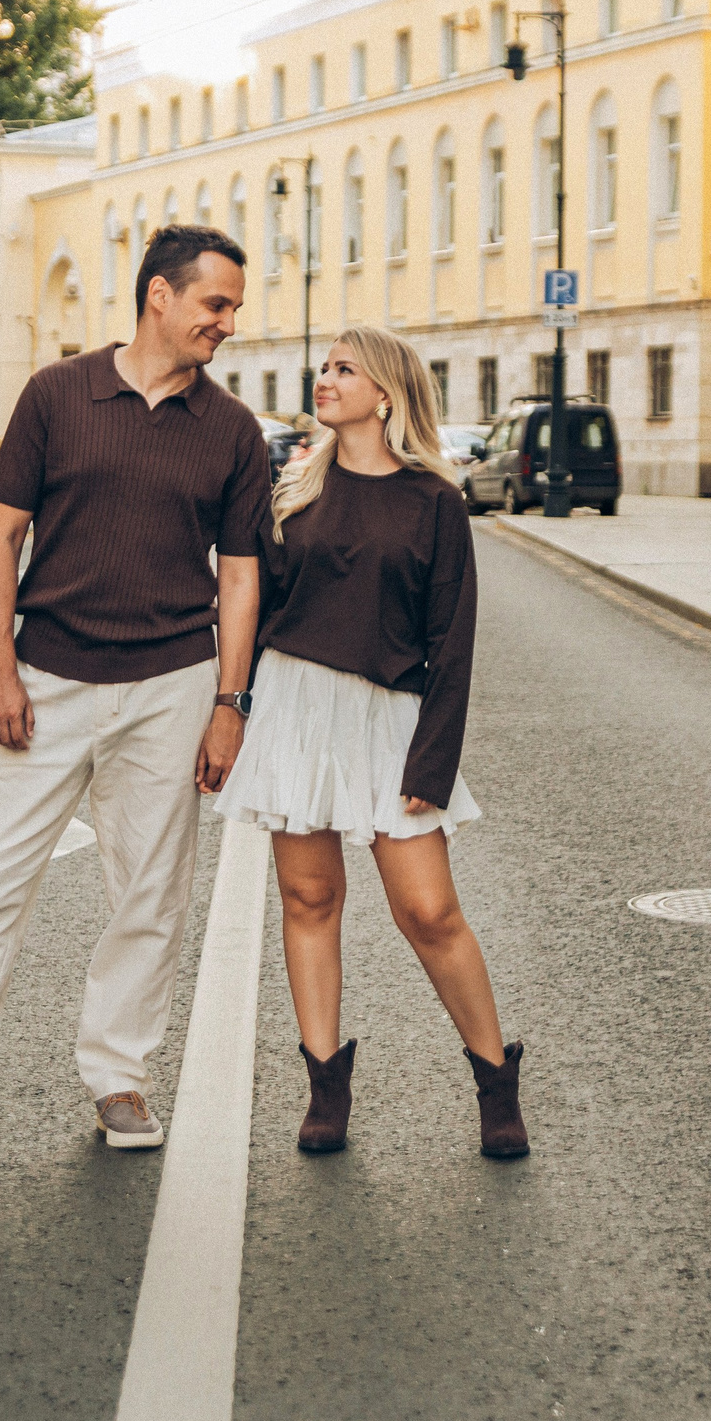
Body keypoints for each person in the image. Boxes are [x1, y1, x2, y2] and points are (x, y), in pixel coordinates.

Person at [0, 226, 268, 1163]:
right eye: (217, 304)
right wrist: (0, 669)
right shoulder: (56, 395)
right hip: (48, 681)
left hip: (170, 684)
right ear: (159, 296)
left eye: (235, 307)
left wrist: (229, 704)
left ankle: (118, 1078)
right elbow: (0, 539)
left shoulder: (232, 430)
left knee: (150, 895)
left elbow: (239, 577)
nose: (228, 324)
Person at [213, 325, 526, 1159]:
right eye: (325, 368)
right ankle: (325, 1085)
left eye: (344, 370)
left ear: (385, 393)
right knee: (310, 902)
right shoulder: (294, 490)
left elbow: (452, 643)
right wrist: (233, 706)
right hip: (297, 710)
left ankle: (496, 1079)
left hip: (392, 719)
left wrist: (433, 759)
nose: (326, 379)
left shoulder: (435, 502)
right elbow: (251, 597)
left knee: (429, 909)